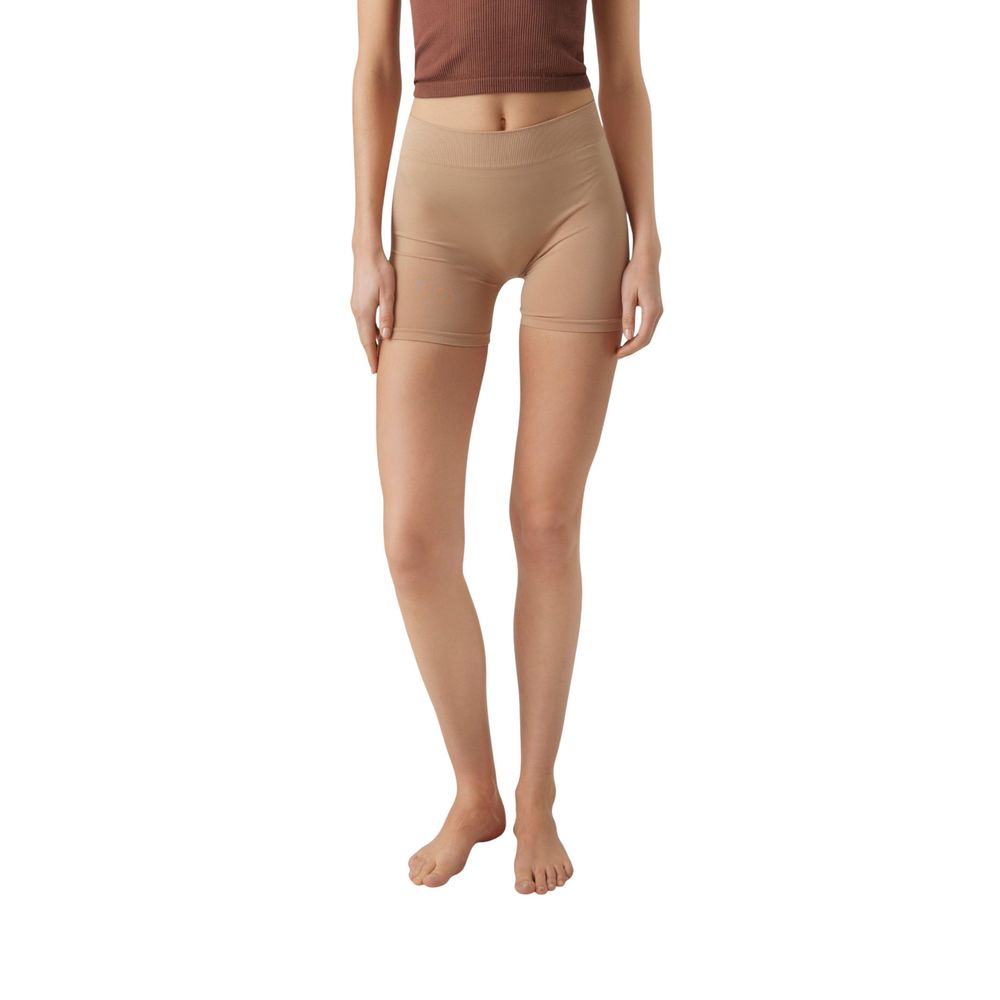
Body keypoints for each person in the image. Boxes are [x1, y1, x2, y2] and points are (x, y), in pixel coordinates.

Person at [351, 0, 662, 894]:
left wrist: (647, 241)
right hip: (435, 200)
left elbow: (626, 73)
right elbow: (376, 65)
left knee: (546, 521)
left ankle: (536, 794)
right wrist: (365, 242)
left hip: (574, 193)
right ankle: (475, 792)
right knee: (414, 541)